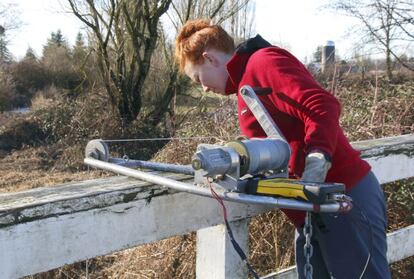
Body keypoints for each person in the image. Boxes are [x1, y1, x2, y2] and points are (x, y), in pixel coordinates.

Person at [175, 19, 391, 279]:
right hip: (313, 210)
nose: (204, 87)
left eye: (198, 78)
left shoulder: (263, 62)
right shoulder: (245, 83)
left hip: (342, 198)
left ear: (210, 59)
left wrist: (317, 160)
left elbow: (322, 105)